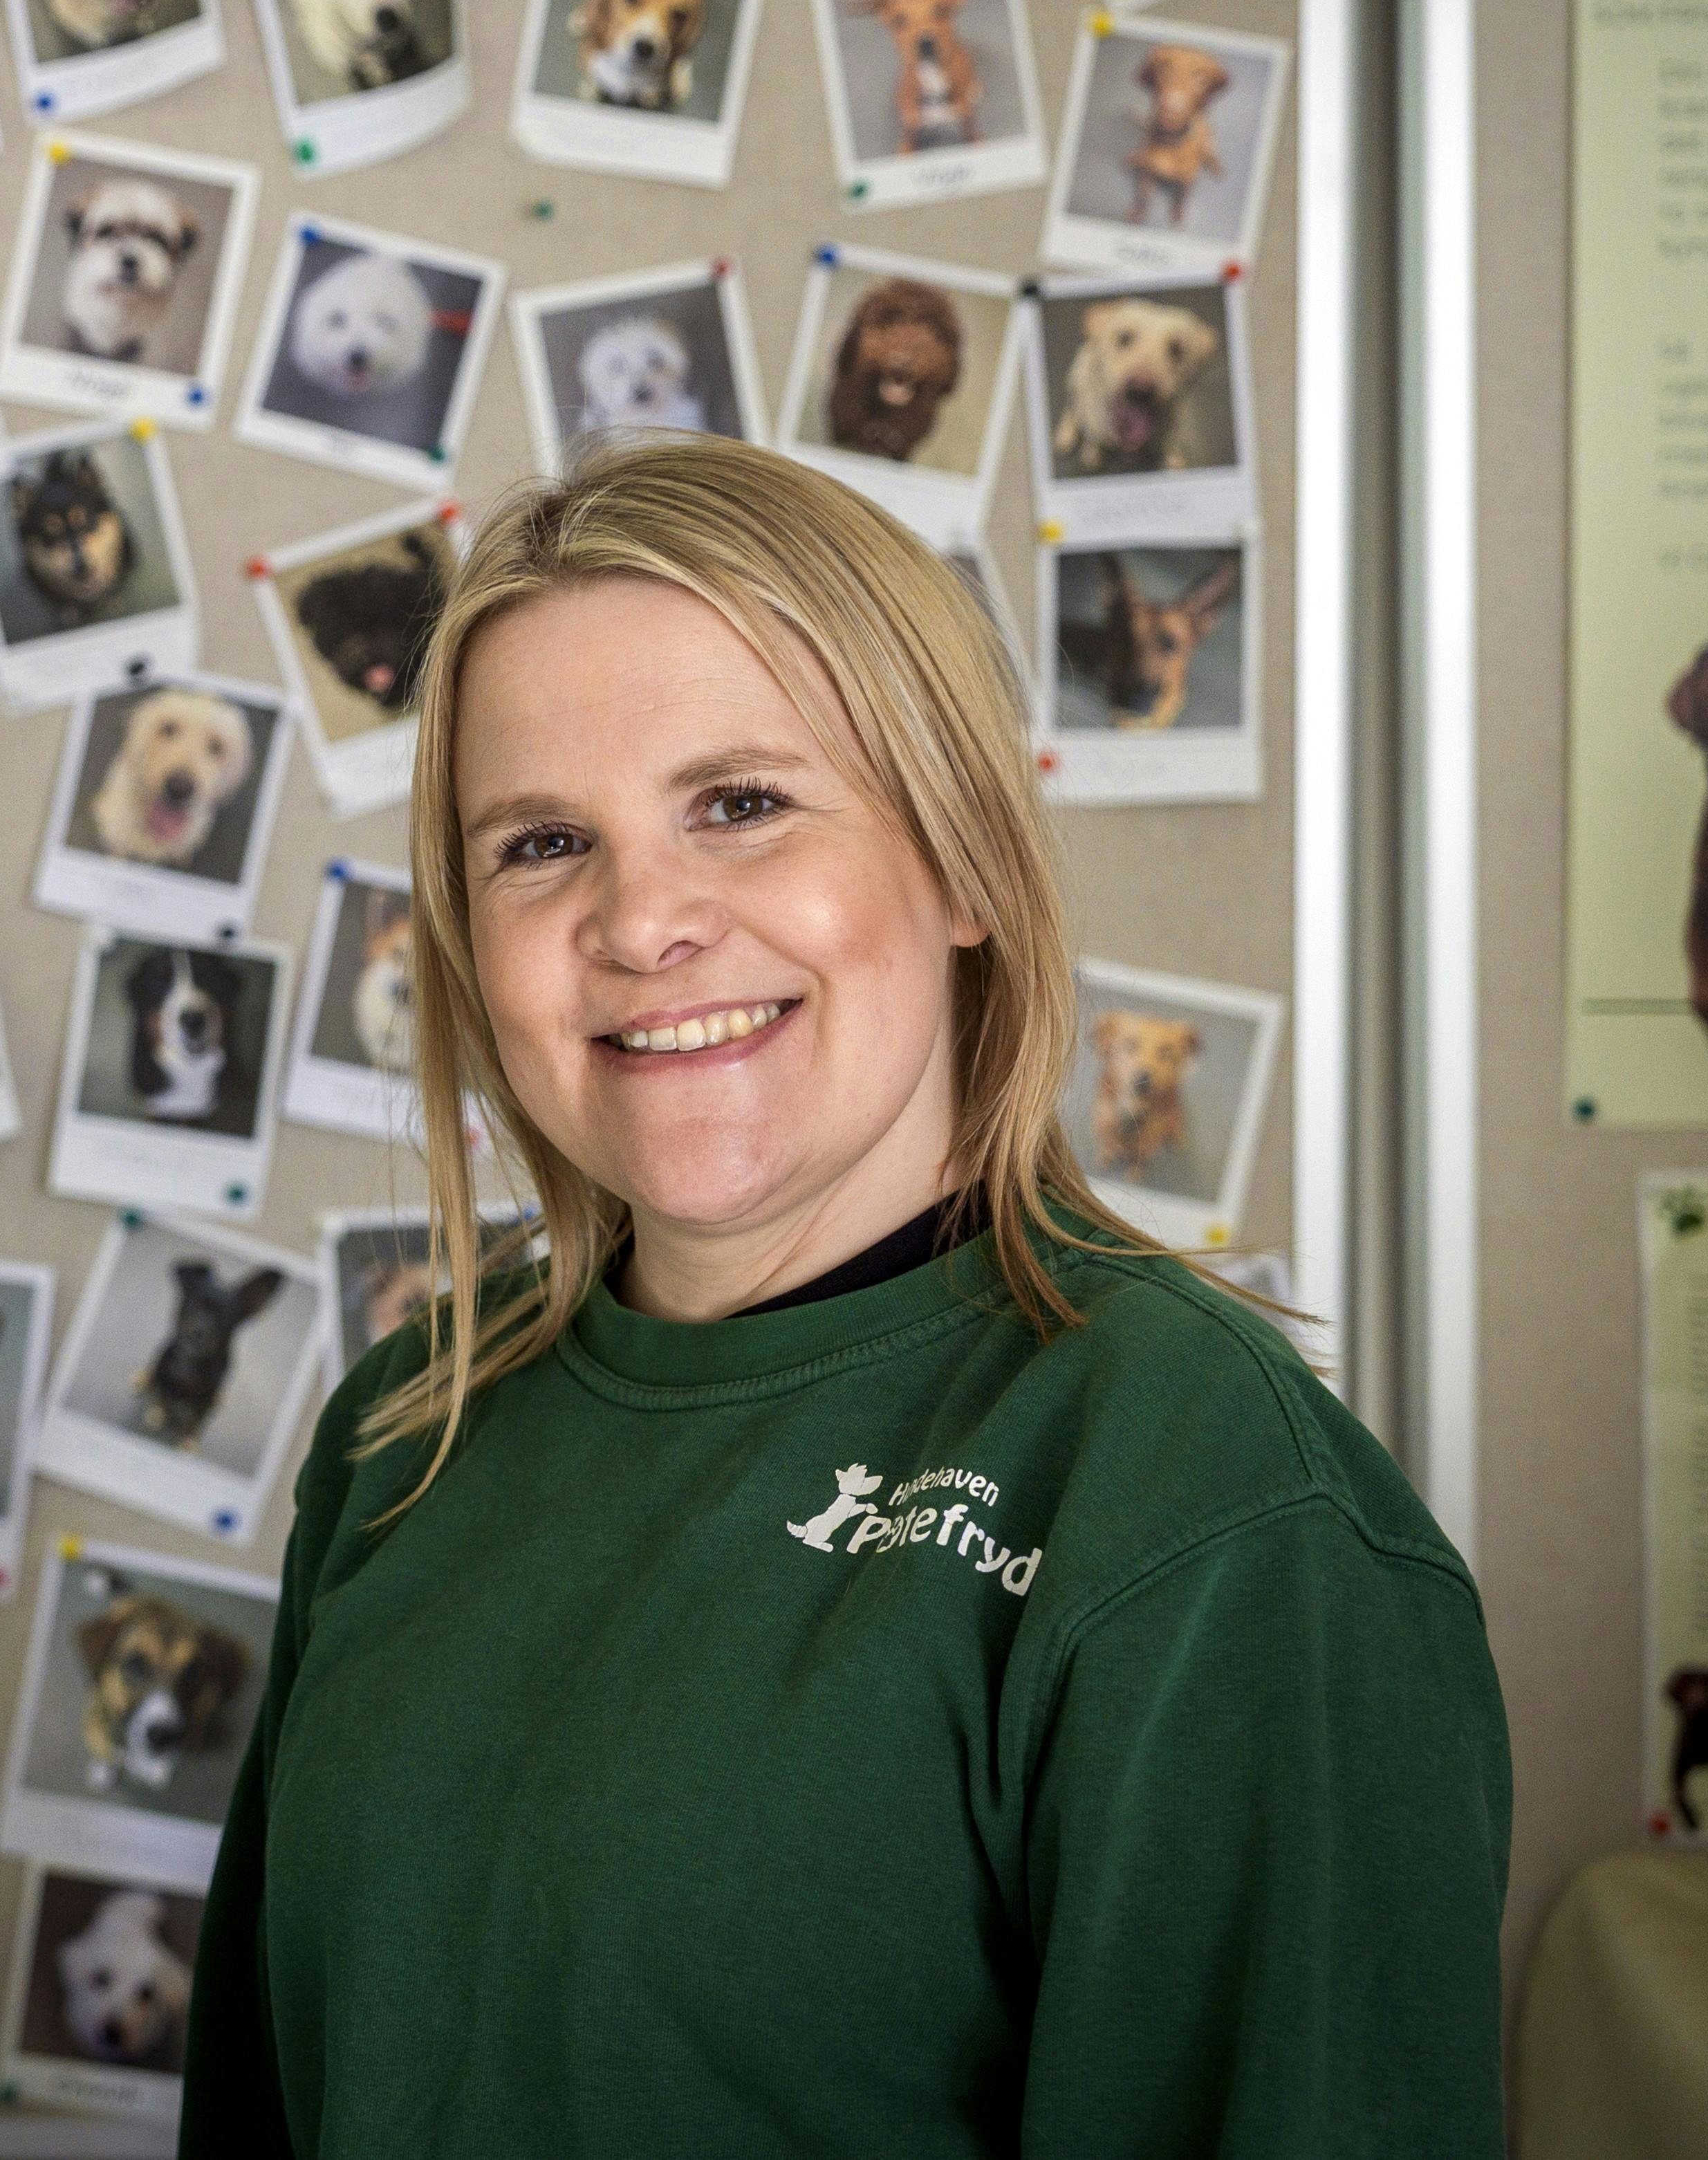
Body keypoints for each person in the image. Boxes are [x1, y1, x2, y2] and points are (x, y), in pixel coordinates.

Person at [180, 438, 1510, 2158]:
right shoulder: (404, 1434)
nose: (638, 916)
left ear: (956, 861)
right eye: (540, 841)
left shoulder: (1213, 1523)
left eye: (737, 801)